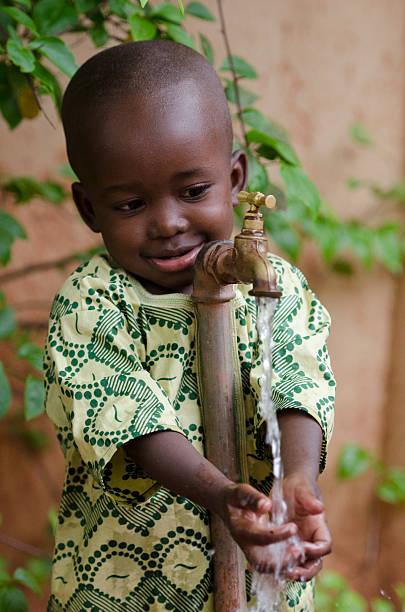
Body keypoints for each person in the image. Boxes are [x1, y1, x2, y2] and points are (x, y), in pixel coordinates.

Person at [44, 40, 335, 612]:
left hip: (258, 588)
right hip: (124, 588)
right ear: (88, 209)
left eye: (194, 191)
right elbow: (130, 422)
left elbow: (299, 383)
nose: (169, 223)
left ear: (235, 178)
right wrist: (223, 495)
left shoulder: (274, 285)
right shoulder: (91, 302)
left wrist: (298, 478)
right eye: (130, 204)